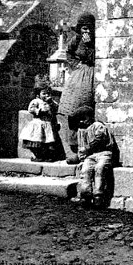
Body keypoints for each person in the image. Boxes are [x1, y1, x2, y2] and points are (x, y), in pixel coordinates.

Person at [57, 12, 95, 162]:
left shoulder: (96, 41)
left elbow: (95, 57)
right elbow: (69, 53)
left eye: (88, 29)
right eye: (83, 29)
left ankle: (86, 148)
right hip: (78, 74)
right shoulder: (76, 39)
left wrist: (89, 44)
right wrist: (75, 65)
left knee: (86, 108)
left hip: (93, 72)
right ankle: (71, 149)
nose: (85, 32)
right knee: (70, 107)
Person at [74, 105, 118, 209]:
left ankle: (98, 195)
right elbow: (82, 147)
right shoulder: (82, 131)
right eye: (81, 120)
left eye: (84, 119)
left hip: (104, 153)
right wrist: (82, 156)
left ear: (89, 117)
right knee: (85, 170)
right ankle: (86, 195)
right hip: (91, 156)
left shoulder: (98, 126)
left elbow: (100, 139)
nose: (83, 121)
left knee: (100, 168)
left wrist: (87, 148)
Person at [20, 86, 58, 162]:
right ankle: (39, 156)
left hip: (47, 123)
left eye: (48, 93)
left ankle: (48, 157)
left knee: (48, 140)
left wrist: (50, 103)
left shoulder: (51, 102)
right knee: (36, 139)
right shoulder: (36, 101)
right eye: (44, 93)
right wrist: (39, 111)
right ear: (38, 95)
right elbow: (31, 109)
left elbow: (56, 108)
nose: (46, 95)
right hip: (38, 123)